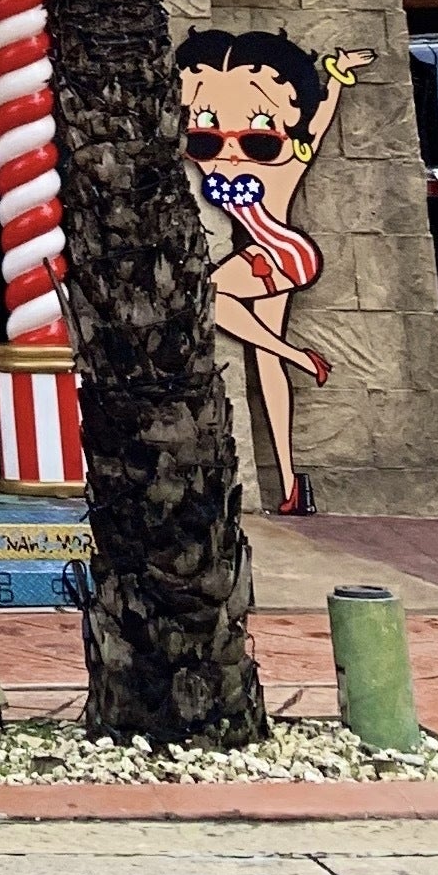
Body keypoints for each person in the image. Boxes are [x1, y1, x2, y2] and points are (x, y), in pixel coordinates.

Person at [176, 25, 360, 514]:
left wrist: (337, 78)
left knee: (210, 294)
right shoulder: (209, 160)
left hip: (284, 255)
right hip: (260, 260)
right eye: (206, 128)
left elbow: (319, 121)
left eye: (258, 132)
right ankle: (291, 484)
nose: (230, 145)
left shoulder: (287, 162)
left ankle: (299, 356)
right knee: (264, 363)